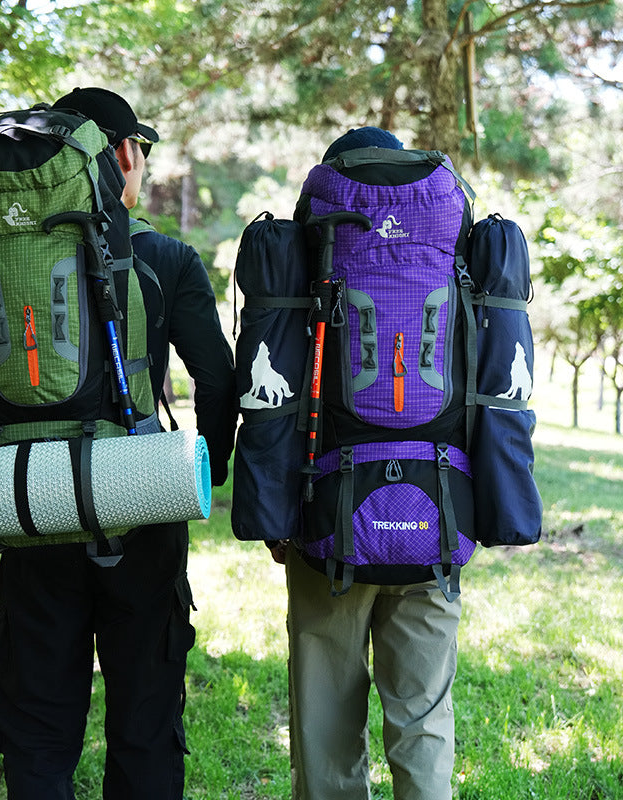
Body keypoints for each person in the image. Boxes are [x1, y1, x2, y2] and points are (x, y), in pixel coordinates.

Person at [0, 87, 237, 800]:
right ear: (122, 153)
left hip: (28, 506)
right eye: (141, 151)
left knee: (36, 730)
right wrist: (202, 475)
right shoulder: (165, 257)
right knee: (146, 721)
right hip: (140, 508)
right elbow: (217, 380)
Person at [268, 127, 463, 800]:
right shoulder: (446, 249)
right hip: (435, 510)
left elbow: (278, 392)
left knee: (325, 722)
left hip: (327, 520)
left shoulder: (313, 250)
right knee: (424, 719)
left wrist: (276, 513)